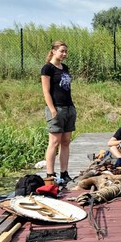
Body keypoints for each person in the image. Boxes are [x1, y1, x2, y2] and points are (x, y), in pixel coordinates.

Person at [41, 40, 75, 186]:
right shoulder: (47, 68)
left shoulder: (65, 67)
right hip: (57, 108)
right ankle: (50, 174)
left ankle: (64, 172)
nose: (64, 54)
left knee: (66, 141)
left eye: (66, 51)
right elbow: (46, 91)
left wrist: (72, 108)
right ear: (53, 51)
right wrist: (52, 109)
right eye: (62, 51)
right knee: (54, 142)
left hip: (69, 107)